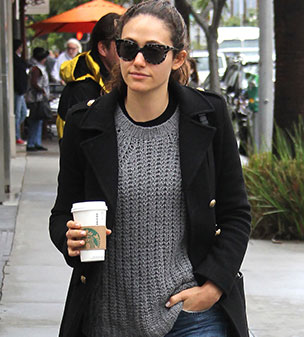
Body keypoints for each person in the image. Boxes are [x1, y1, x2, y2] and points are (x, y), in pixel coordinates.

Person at [49, 1, 251, 337]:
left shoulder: (208, 116)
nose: (138, 61)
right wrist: (67, 238)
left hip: (191, 317)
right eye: (128, 48)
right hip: (106, 317)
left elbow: (236, 213)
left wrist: (213, 286)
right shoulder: (85, 124)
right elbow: (61, 213)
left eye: (154, 51)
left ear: (178, 59)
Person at [55, 13, 120, 140]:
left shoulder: (119, 79)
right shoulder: (80, 89)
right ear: (103, 48)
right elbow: (78, 145)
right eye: (121, 45)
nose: (129, 52)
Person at [26, 47, 50, 152]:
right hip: (36, 99)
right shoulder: (36, 69)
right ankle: (32, 142)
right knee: (34, 121)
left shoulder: (37, 68)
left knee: (38, 121)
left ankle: (36, 142)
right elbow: (34, 83)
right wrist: (42, 91)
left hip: (38, 98)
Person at [13, 39, 28, 145]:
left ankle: (17, 134)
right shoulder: (14, 59)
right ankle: (16, 136)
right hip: (18, 89)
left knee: (23, 113)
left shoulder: (18, 59)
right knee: (17, 114)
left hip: (21, 90)